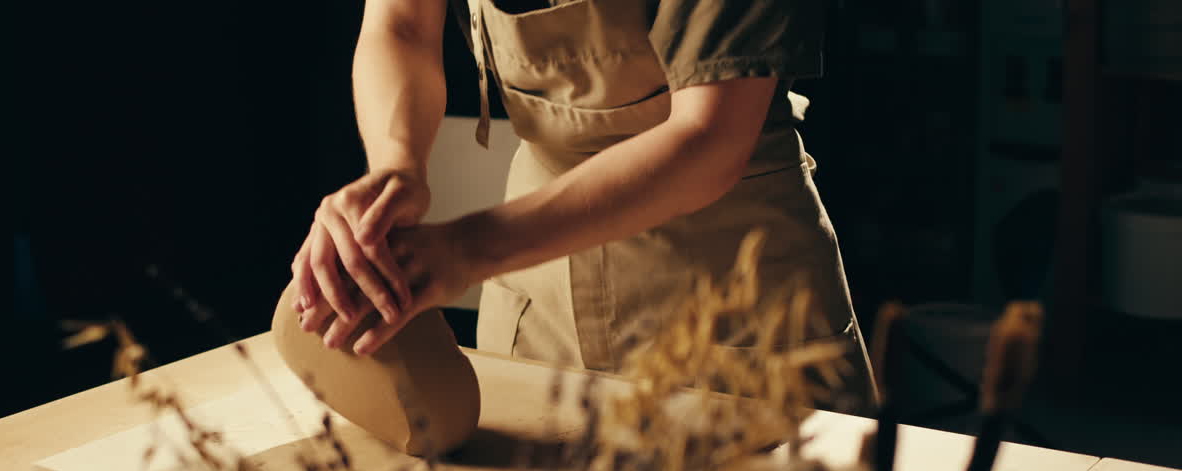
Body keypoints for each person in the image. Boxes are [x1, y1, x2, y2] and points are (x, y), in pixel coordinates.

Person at [288, 0, 876, 407]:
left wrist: (470, 249)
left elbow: (710, 139)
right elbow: (402, 27)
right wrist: (396, 166)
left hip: (730, 282)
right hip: (535, 287)